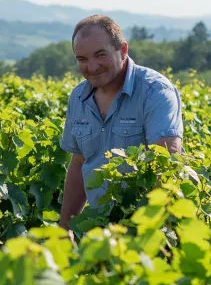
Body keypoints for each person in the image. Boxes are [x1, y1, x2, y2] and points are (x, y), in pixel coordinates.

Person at [58, 15, 183, 230]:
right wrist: (65, 227)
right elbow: (79, 162)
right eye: (82, 59)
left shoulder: (155, 91)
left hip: (147, 229)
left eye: (100, 55)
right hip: (98, 232)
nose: (92, 66)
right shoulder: (78, 98)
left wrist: (146, 233)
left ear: (123, 50)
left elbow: (166, 161)